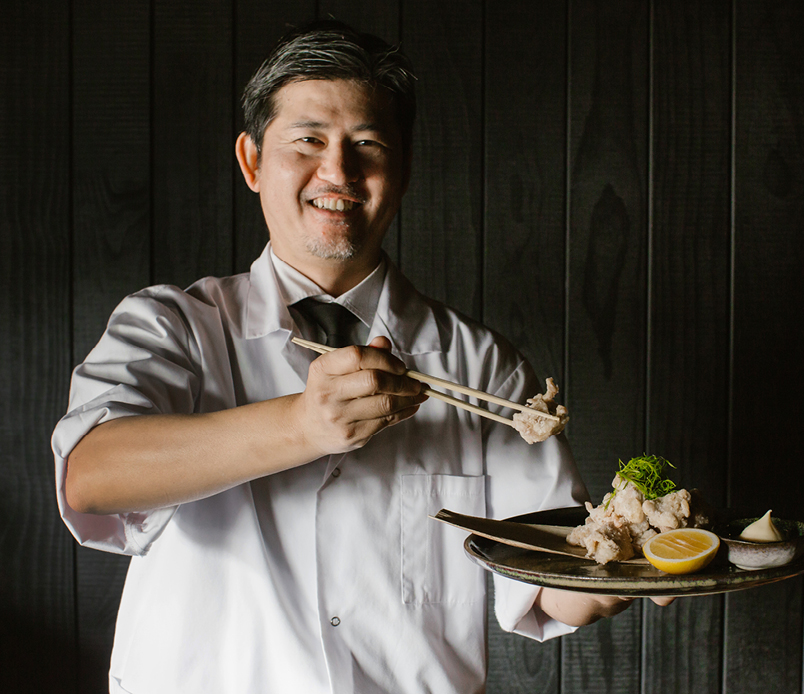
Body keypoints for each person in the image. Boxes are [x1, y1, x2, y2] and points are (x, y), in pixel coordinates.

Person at [52, 20, 650, 694]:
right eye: (307, 140)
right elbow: (92, 475)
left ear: (402, 169)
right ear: (251, 161)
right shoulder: (175, 327)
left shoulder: (481, 366)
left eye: (367, 143)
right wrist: (302, 426)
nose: (337, 171)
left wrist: (631, 567)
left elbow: (545, 587)